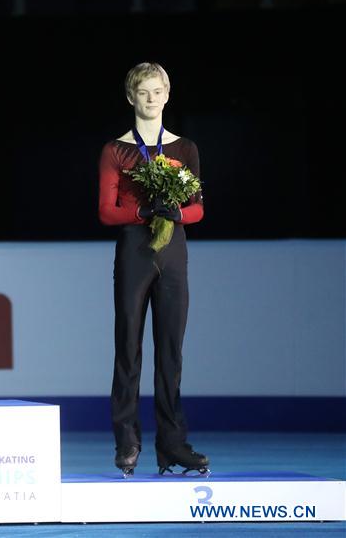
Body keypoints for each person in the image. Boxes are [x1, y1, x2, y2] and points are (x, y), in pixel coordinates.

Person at [97, 62, 210, 476]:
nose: (150, 98)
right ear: (131, 97)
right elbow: (107, 212)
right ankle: (126, 438)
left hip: (173, 256)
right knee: (128, 348)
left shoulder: (185, 149)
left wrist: (176, 212)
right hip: (133, 252)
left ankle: (172, 443)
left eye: (157, 91)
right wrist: (143, 209)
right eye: (142, 92)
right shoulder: (116, 150)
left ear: (167, 94)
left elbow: (199, 208)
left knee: (171, 351)